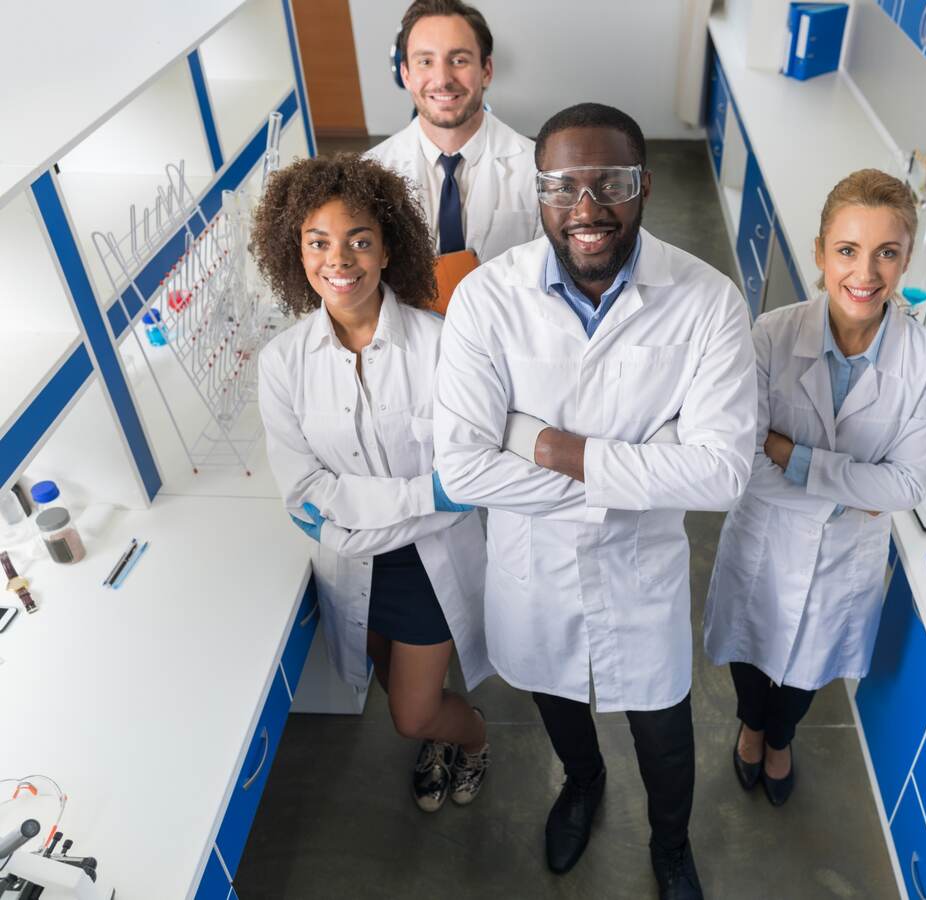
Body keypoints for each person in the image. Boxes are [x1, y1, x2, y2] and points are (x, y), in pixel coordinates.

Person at [433, 102, 756, 900]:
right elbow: (464, 471)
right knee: (555, 694)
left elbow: (721, 475)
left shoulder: (707, 300)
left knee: (665, 729)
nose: (587, 208)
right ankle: (582, 783)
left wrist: (549, 445)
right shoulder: (486, 300)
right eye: (563, 185)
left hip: (640, 575)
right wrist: (642, 468)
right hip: (533, 568)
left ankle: (672, 845)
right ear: (538, 192)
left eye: (610, 182)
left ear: (643, 186)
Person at [254, 153, 493, 815]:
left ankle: (471, 738)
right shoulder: (281, 364)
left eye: (360, 240)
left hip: (426, 564)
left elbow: (465, 480)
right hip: (354, 566)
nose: (341, 259)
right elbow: (303, 489)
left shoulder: (445, 347)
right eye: (318, 243)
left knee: (412, 715)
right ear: (294, 253)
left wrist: (347, 511)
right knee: (394, 686)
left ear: (388, 249)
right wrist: (424, 496)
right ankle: (444, 736)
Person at [704, 169, 926, 806]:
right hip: (766, 538)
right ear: (819, 252)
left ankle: (780, 740)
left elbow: (908, 484)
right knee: (752, 654)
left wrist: (793, 455)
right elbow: (745, 461)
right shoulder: (769, 337)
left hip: (843, 562)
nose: (864, 273)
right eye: (847, 250)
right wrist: (853, 492)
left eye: (886, 253)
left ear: (905, 260)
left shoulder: (924, 360)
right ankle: (752, 730)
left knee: (808, 672)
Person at [367, 0, 540, 263]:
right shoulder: (370, 172)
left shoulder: (537, 168)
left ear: (486, 71)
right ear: (406, 75)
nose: (443, 79)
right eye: (425, 61)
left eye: (459, 60)